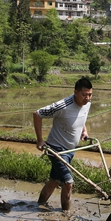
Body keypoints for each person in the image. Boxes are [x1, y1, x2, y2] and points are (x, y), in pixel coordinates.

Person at [33, 77, 93, 210]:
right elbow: (37, 114)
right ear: (75, 92)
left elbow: (82, 117)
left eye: (90, 94)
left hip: (70, 150)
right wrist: (40, 140)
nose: (88, 98)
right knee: (68, 182)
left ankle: (39, 205)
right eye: (84, 95)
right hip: (56, 149)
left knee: (54, 181)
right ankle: (65, 215)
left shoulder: (87, 103)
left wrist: (84, 130)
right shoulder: (63, 105)